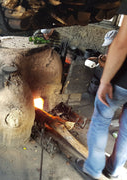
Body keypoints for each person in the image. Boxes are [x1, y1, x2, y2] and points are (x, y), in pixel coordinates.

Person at [75, 2, 127, 179]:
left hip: (123, 81)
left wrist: (105, 80)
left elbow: (122, 43)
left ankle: (94, 169)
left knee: (101, 121)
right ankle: (113, 170)